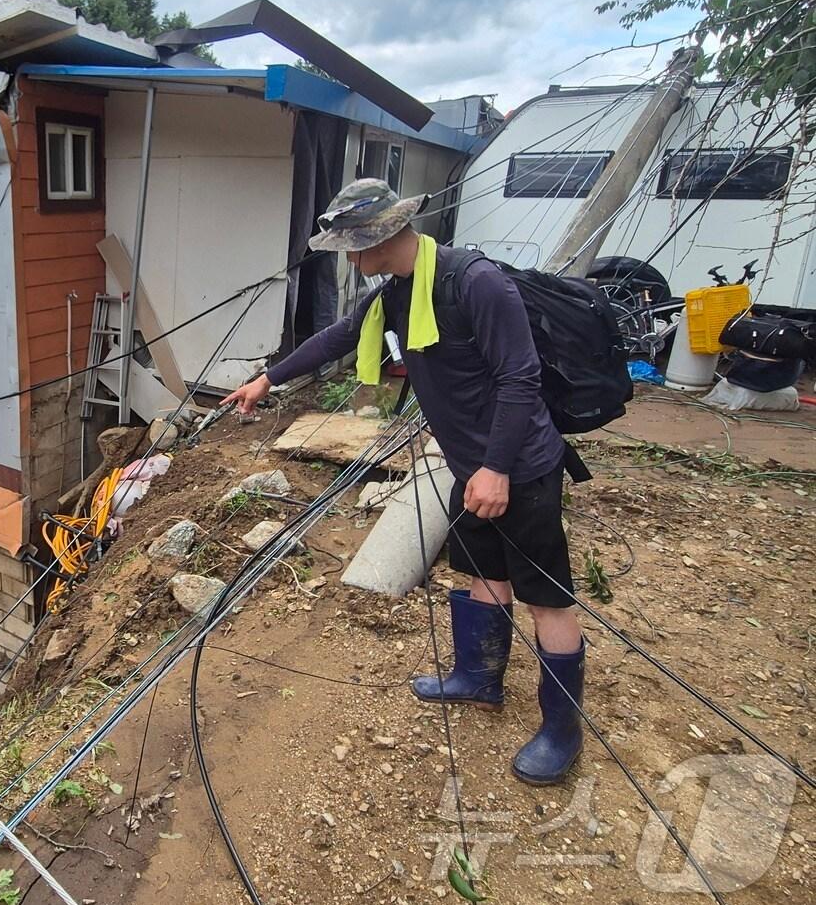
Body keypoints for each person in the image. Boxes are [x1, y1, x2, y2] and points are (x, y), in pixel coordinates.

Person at [221, 179, 585, 786]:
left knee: (546, 599)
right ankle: (479, 676)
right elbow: (339, 336)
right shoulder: (396, 292)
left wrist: (497, 469)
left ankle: (560, 730)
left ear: (380, 237)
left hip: (520, 468)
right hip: (471, 465)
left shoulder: (475, 283)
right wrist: (268, 378)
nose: (348, 258)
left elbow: (520, 379)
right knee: (481, 573)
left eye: (350, 247)